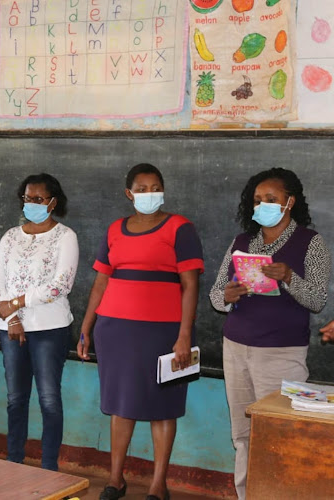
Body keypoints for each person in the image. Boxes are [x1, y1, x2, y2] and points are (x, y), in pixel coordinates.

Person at [78, 163, 203, 500]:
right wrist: (86, 328)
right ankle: (115, 480)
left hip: (163, 332)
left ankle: (157, 485)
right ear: (129, 193)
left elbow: (190, 285)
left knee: (163, 405)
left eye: (156, 187)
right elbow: (101, 281)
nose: (150, 194)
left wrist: (184, 335)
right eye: (143, 188)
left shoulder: (181, 228)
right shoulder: (115, 229)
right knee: (122, 405)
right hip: (114, 330)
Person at [209, 168, 330, 500]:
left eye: (271, 199)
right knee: (243, 437)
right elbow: (216, 296)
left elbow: (318, 300)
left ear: (289, 202)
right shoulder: (241, 242)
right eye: (258, 199)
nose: (263, 205)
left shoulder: (311, 242)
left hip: (281, 353)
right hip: (235, 348)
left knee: (280, 434)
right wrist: (227, 296)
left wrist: (290, 277)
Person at [0, 173, 78, 471]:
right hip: (10, 329)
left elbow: (60, 285)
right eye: (27, 198)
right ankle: (14, 461)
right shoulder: (11, 236)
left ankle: (48, 467)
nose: (31, 204)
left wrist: (17, 303)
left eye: (38, 199)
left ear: (53, 202)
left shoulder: (65, 236)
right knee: (15, 399)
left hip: (50, 329)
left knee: (49, 400)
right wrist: (12, 318)